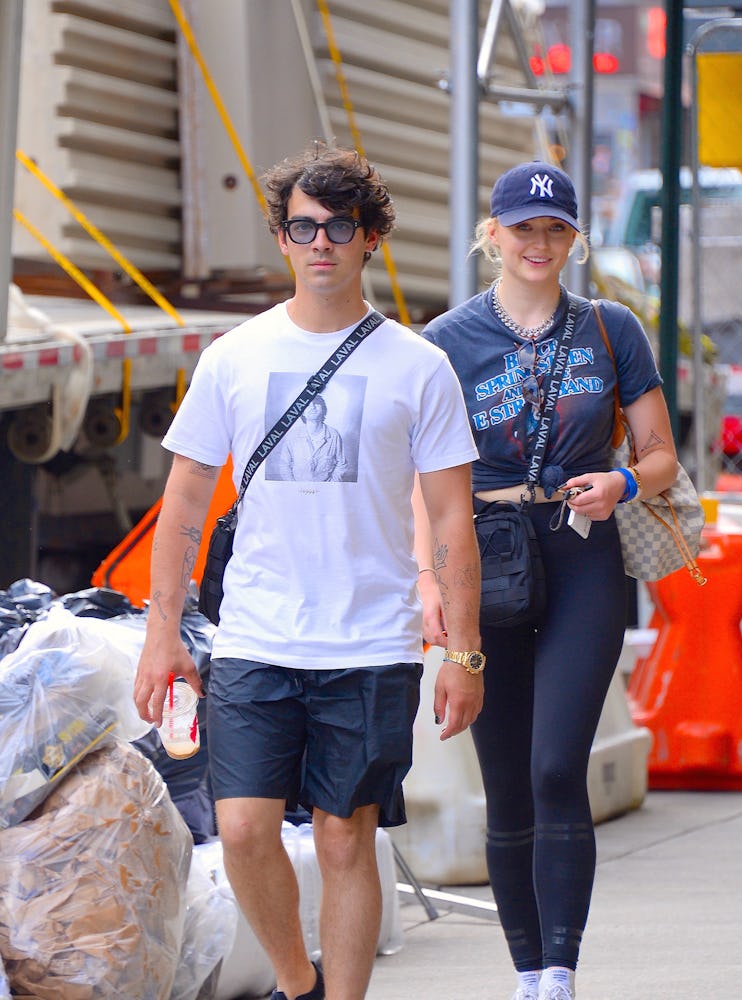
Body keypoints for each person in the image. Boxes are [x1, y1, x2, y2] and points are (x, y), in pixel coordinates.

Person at [133, 142, 484, 1000]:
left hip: (370, 644)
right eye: (303, 226)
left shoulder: (418, 365)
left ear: (371, 239)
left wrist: (465, 652)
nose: (320, 242)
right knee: (245, 830)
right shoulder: (234, 356)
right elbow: (183, 499)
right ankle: (302, 985)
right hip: (258, 635)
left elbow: (448, 516)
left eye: (340, 226)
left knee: (342, 836)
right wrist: (161, 635)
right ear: (282, 240)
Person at [417, 160, 678, 1000]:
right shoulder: (445, 343)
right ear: (491, 235)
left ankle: (559, 973)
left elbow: (663, 454)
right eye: (522, 228)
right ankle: (526, 971)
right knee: (507, 783)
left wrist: (624, 483)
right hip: (484, 561)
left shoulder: (611, 328)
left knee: (557, 767)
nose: (539, 242)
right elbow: (423, 483)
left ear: (574, 238)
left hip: (581, 554)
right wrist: (430, 581)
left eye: (555, 228)